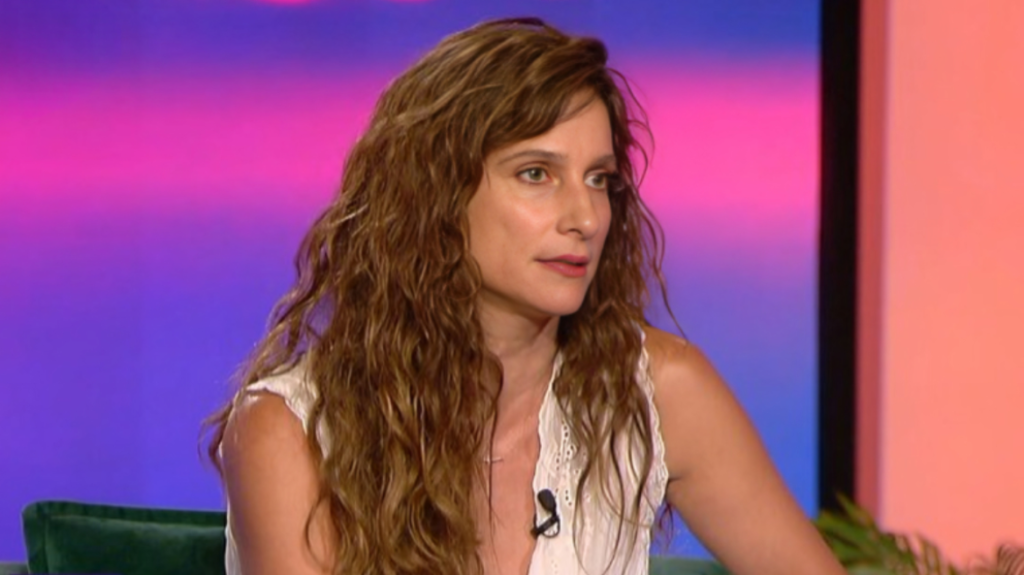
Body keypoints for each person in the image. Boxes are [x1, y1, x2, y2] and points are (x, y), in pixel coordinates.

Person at [205, 16, 846, 575]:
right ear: (436, 195)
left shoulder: (658, 392)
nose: (585, 218)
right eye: (536, 174)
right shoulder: (292, 433)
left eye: (598, 179)